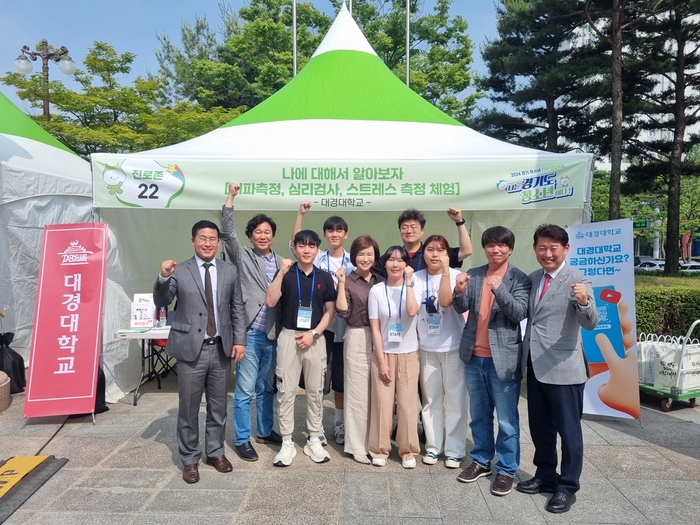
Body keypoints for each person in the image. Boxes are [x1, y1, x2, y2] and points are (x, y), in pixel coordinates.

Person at [153, 220, 246, 484]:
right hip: (190, 350)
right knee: (188, 409)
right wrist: (162, 276)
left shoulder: (229, 271)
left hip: (220, 348)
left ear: (218, 242)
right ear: (193, 241)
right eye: (202, 238)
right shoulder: (179, 270)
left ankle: (215, 452)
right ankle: (190, 459)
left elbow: (237, 307)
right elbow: (162, 301)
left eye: (213, 239)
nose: (208, 243)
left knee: (218, 407)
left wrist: (240, 340)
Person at [516, 224, 598, 514]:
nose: (547, 253)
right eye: (542, 247)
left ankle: (567, 488)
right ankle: (546, 475)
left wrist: (584, 301)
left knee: (569, 433)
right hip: (535, 366)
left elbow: (590, 323)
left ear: (566, 249)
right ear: (535, 248)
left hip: (565, 368)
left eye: (554, 248)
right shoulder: (533, 278)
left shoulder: (579, 279)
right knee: (540, 428)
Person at [452, 226, 530, 497]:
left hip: (504, 359)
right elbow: (461, 308)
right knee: (479, 415)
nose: (495, 250)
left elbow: (519, 313)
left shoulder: (519, 279)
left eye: (501, 245)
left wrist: (500, 290)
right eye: (490, 245)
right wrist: (459, 290)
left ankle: (507, 469)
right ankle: (482, 460)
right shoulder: (473, 274)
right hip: (474, 356)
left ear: (510, 248)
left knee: (507, 420)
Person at [220, 183, 283, 462]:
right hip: (248, 334)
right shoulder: (242, 254)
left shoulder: (282, 262)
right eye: (257, 232)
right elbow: (226, 232)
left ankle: (265, 430)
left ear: (272, 236)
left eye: (267, 232)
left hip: (273, 334)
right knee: (245, 390)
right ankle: (243, 438)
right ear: (250, 236)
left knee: (267, 388)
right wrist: (231, 197)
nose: (262, 236)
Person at [265, 230, 336, 466]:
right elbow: (271, 301)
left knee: (316, 392)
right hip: (289, 337)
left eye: (312, 246)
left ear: (318, 249)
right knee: (286, 391)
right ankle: (287, 442)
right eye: (301, 246)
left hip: (315, 338)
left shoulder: (324, 277)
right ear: (294, 248)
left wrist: (314, 333)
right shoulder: (285, 273)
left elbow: (330, 312)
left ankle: (313, 438)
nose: (306, 250)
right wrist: (281, 273)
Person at [291, 201, 356, 445]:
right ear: (325, 235)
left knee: (341, 379)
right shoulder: (317, 257)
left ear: (345, 234)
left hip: (347, 329)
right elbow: (296, 240)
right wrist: (300, 214)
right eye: (330, 230)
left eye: (339, 230)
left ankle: (339, 425)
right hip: (322, 328)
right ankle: (315, 427)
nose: (335, 234)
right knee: (317, 379)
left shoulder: (353, 261)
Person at [413, 235, 468, 470]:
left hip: (453, 346)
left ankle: (455, 450)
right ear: (423, 253)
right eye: (430, 250)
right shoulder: (415, 278)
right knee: (430, 401)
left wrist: (446, 272)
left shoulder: (458, 276)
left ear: (447, 254)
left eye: (440, 250)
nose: (434, 254)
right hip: (426, 348)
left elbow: (445, 302)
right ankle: (433, 447)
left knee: (456, 400)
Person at [367, 246, 420, 468]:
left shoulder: (415, 286)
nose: (395, 264)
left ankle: (408, 450)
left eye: (400, 260)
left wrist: (408, 282)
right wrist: (381, 361)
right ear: (385, 264)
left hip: (409, 353)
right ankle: (379, 448)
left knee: (407, 405)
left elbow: (411, 311)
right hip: (384, 353)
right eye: (391, 260)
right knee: (382, 403)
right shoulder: (376, 291)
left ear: (406, 264)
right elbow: (375, 329)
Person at [335, 235, 384, 464]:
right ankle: (356, 446)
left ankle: (375, 443)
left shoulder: (381, 280)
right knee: (356, 392)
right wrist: (342, 284)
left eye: (370, 254)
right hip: (357, 335)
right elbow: (343, 312)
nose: (365, 258)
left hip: (382, 338)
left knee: (378, 393)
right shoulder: (349, 279)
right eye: (361, 254)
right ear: (354, 256)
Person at [374, 207, 473, 277]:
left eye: (413, 227)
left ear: (422, 231)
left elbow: (466, 251)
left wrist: (459, 222)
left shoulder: (431, 252)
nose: (409, 231)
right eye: (404, 227)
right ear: (400, 231)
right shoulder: (393, 256)